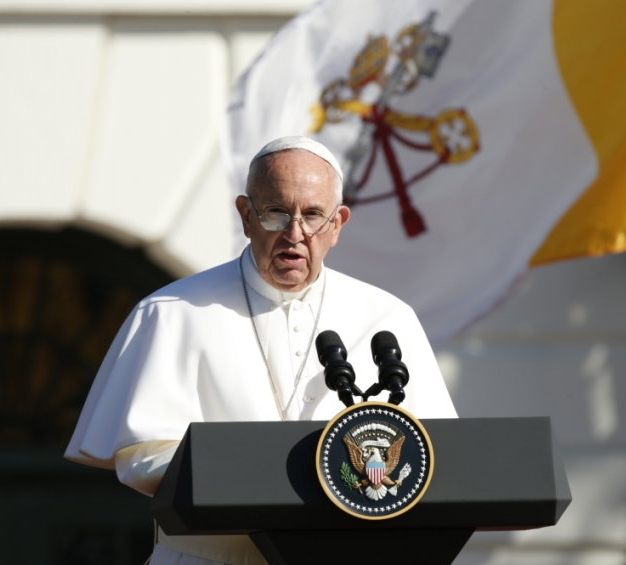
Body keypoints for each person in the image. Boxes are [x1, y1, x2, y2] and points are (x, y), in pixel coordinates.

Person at [65, 136, 457, 565]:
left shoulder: (387, 318)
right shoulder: (172, 314)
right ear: (246, 216)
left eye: (312, 216)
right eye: (275, 213)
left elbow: (432, 456)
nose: (294, 234)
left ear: (338, 224)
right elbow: (141, 455)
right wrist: (270, 479)